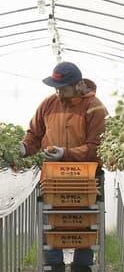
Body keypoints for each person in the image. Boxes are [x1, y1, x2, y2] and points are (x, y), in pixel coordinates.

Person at [19, 62, 108, 272]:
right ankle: (54, 265)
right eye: (55, 87)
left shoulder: (95, 107)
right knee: (51, 222)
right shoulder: (48, 104)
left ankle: (81, 266)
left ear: (78, 85)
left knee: (84, 222)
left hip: (86, 179)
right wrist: (24, 147)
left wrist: (65, 153)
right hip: (53, 178)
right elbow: (34, 133)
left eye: (63, 88)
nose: (58, 92)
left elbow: (98, 147)